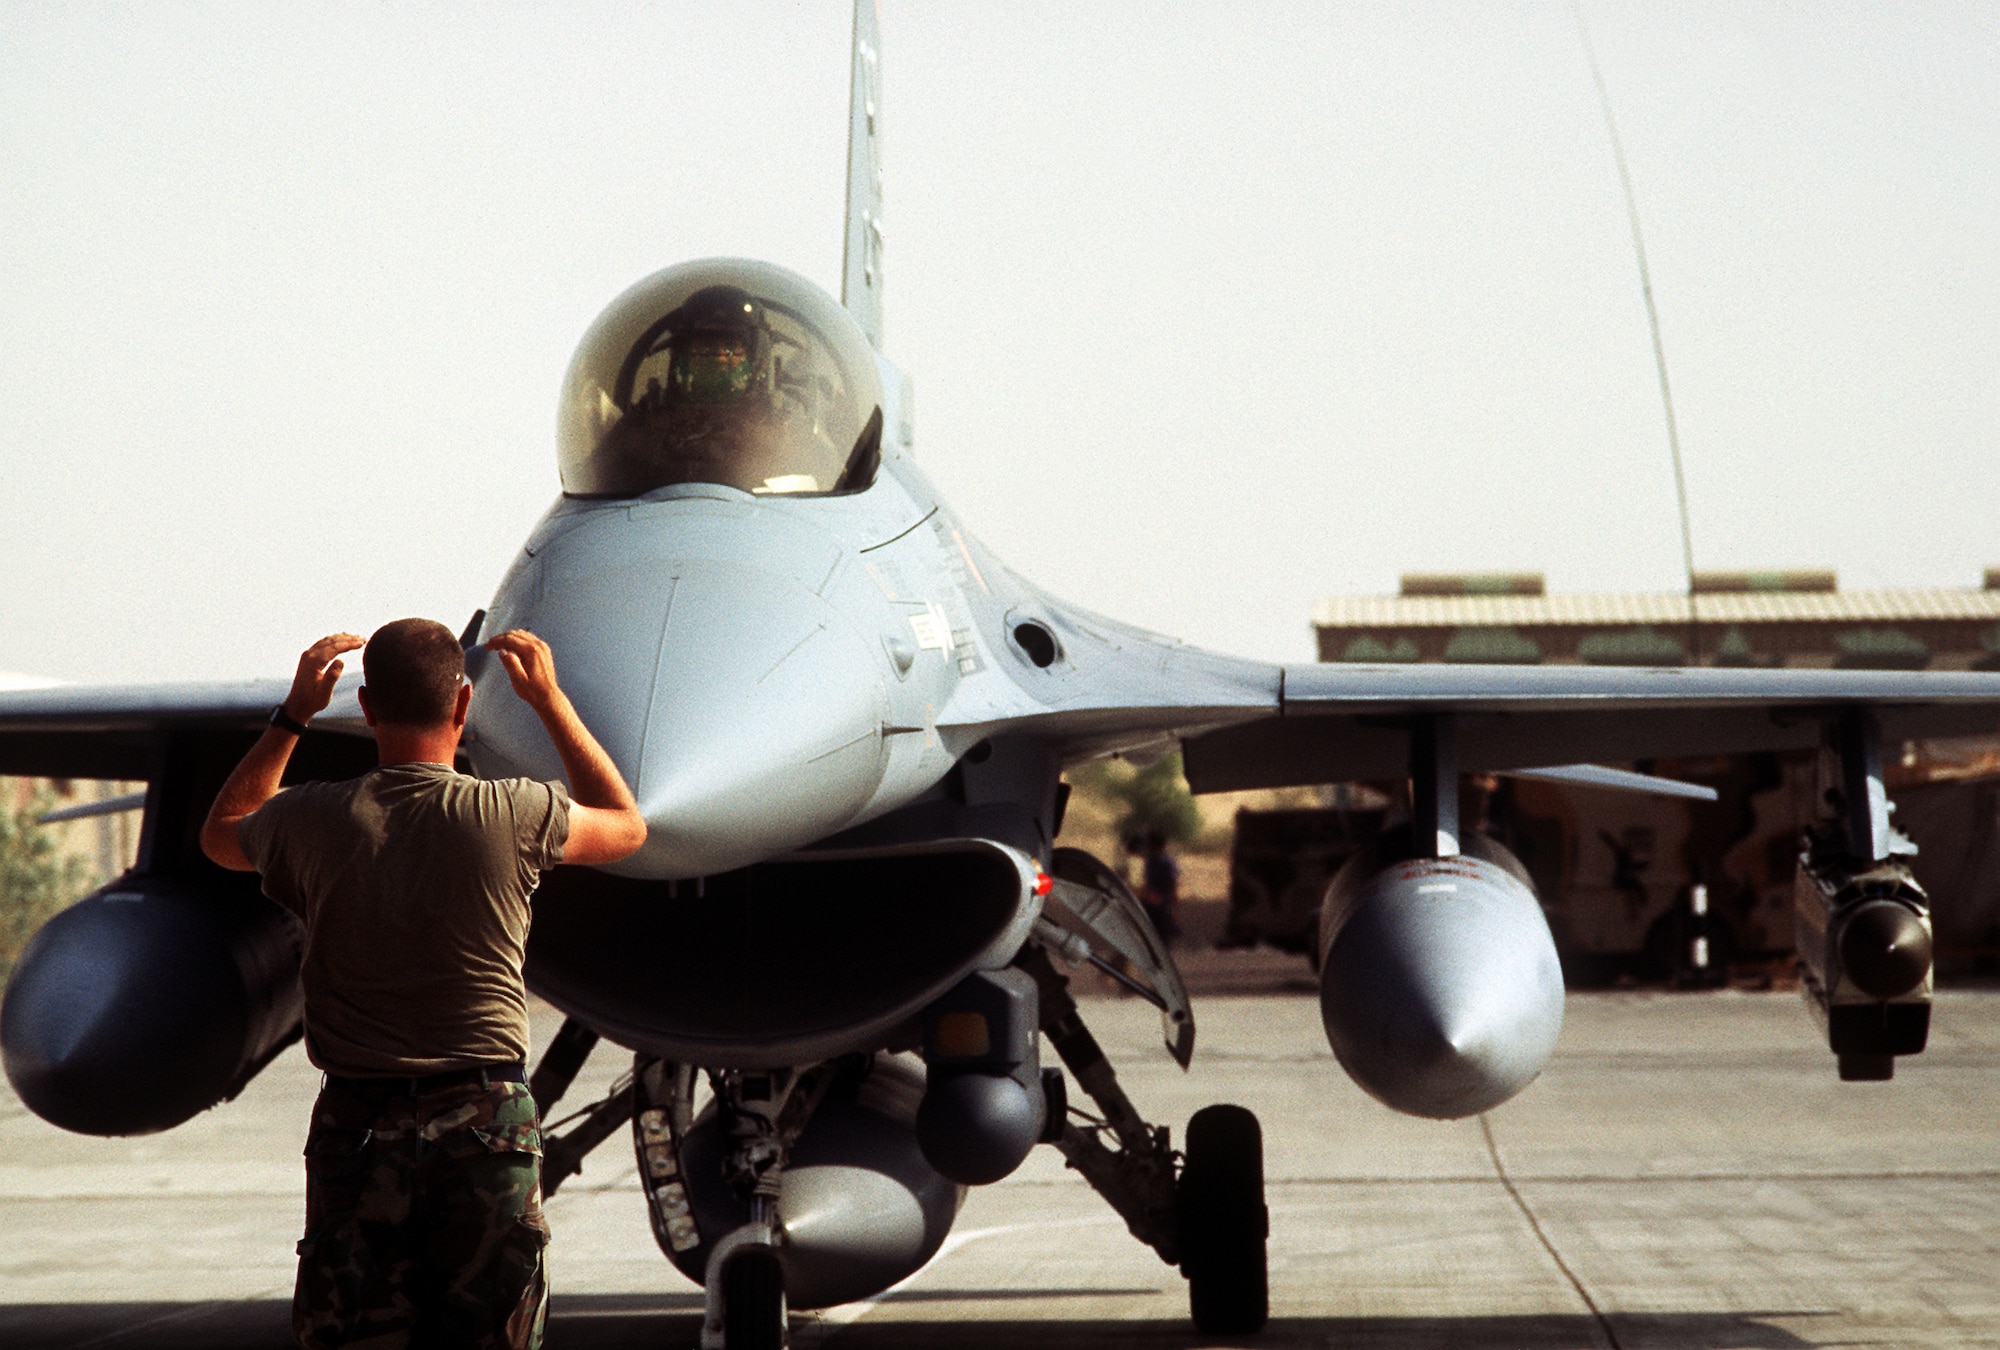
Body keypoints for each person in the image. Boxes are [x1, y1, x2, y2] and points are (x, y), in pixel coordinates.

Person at [200, 620, 646, 1349]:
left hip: (358, 1129)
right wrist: (549, 702)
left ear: (367, 708)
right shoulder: (514, 813)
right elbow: (627, 827)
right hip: (486, 1125)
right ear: (464, 706)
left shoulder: (311, 818)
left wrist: (294, 715)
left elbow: (223, 834)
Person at [1138, 829, 1182, 945]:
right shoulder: (1150, 861)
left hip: (1162, 904)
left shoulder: (1167, 862)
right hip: (1149, 903)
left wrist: (1173, 907)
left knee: (1162, 939)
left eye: (1149, 843)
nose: (1147, 846)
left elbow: (1173, 884)